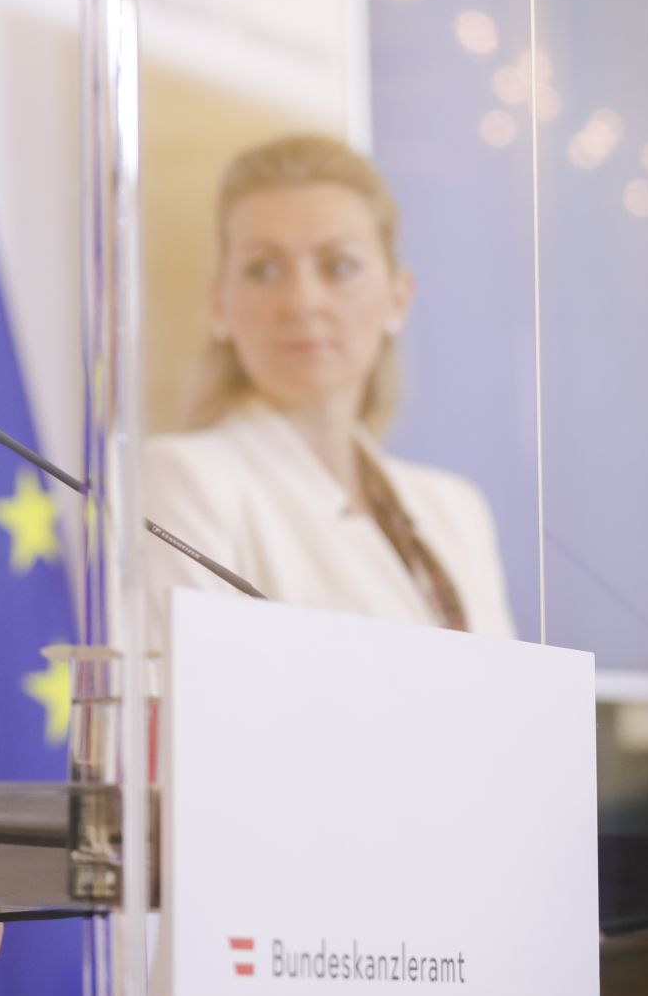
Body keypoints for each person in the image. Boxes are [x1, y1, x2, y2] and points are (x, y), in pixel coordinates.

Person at [143, 133, 516, 640]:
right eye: (264, 269)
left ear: (398, 298)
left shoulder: (455, 510)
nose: (302, 301)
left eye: (339, 267)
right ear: (220, 304)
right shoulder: (184, 482)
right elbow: (184, 707)